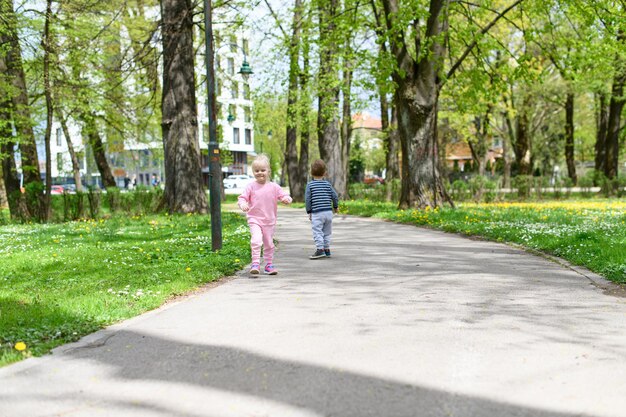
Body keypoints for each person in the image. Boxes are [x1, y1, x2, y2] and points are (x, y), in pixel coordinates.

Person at [238, 155, 292, 275]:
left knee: (268, 243)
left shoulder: (274, 187)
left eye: (263, 170)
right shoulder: (250, 186)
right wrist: (243, 204)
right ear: (253, 172)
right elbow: (242, 198)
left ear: (268, 171)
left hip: (269, 220)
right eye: (256, 171)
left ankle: (268, 265)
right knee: (256, 240)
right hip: (254, 219)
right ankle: (255, 263)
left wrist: (286, 199)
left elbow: (284, 196)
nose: (260, 173)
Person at [305, 159, 338, 259]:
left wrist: (309, 211)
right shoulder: (328, 184)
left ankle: (320, 249)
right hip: (328, 212)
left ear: (311, 172)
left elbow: (307, 199)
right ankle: (327, 249)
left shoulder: (310, 185)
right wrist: (335, 207)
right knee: (327, 232)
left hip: (317, 213)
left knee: (317, 231)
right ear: (324, 173)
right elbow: (335, 196)